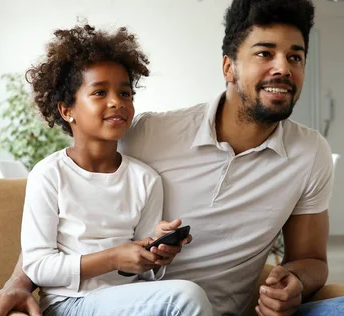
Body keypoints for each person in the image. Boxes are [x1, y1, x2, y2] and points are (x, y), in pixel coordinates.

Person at [0, 1, 344, 315]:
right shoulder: (149, 133)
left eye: (295, 56)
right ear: (229, 67)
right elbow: (78, 191)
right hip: (152, 306)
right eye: (265, 53)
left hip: (231, 309)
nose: (283, 68)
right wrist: (18, 281)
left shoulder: (310, 152)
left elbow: (313, 261)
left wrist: (295, 282)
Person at [17, 24, 212, 316]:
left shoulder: (146, 180)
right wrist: (113, 258)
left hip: (127, 300)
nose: (117, 103)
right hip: (68, 303)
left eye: (125, 93)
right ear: (67, 110)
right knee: (185, 298)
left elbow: (143, 273)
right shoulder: (49, 174)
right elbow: (38, 266)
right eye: (99, 92)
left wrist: (156, 253)